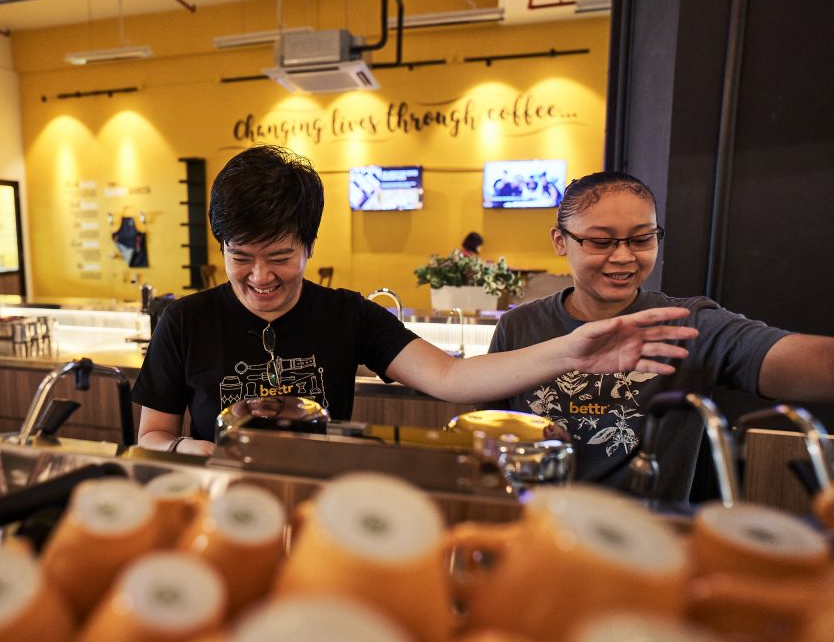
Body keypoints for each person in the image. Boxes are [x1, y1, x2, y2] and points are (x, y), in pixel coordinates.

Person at [131, 147, 697, 456]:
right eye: (241, 256)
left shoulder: (347, 314)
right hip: (213, 502)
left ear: (309, 243)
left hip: (320, 504)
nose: (260, 277)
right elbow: (151, 436)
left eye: (280, 255)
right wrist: (195, 451)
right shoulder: (185, 320)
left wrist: (570, 352)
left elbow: (451, 378)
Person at [483, 171, 834, 501]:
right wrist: (524, 441)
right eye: (601, 241)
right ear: (561, 241)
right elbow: (485, 434)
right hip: (539, 530)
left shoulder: (690, 323)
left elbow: (810, 362)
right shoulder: (519, 327)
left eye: (642, 239)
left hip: (653, 542)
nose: (623, 256)